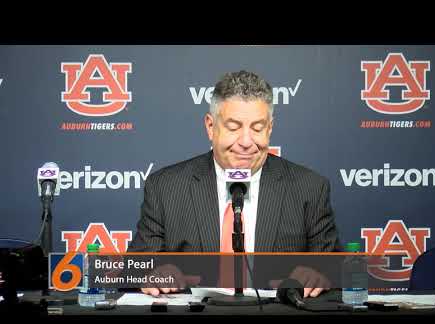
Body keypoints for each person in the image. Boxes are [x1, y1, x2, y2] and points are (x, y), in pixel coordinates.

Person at [130, 70, 339, 297]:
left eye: (258, 128)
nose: (246, 142)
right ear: (211, 127)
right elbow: (135, 267)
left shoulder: (309, 187)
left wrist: (318, 272)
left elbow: (334, 269)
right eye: (233, 127)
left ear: (270, 128)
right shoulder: (165, 187)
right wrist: (151, 272)